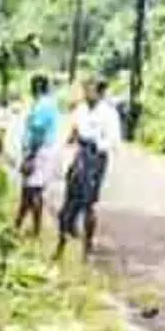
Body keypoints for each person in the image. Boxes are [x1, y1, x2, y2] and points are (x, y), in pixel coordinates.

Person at [54, 79, 123, 260]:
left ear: (99, 92)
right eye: (85, 90)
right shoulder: (81, 109)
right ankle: (62, 243)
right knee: (69, 201)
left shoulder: (108, 113)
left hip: (95, 157)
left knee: (88, 203)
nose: (86, 94)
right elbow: (72, 132)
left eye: (90, 90)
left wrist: (96, 144)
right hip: (80, 154)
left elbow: (114, 140)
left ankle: (88, 246)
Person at [15, 75, 60, 237]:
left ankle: (34, 229)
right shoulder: (47, 104)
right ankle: (19, 224)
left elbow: (38, 133)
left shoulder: (42, 105)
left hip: (39, 151)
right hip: (42, 150)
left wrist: (30, 156)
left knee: (34, 190)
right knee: (28, 190)